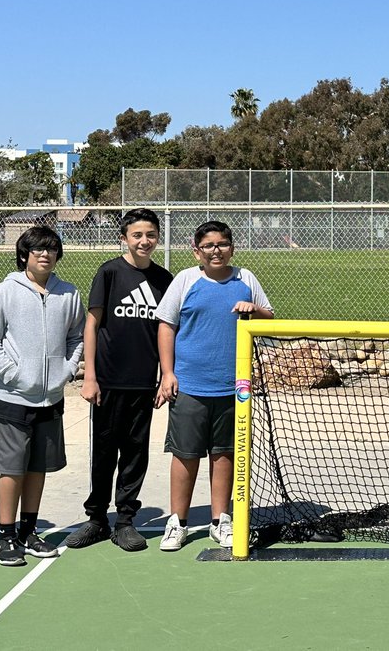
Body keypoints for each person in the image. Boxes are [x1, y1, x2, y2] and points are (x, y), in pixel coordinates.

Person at [154, 221, 273, 551]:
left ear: (232, 248)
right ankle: (178, 521)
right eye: (208, 245)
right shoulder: (186, 280)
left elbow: (271, 320)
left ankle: (221, 520)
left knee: (224, 454)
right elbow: (166, 326)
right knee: (185, 454)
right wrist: (168, 373)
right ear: (197, 251)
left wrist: (256, 310)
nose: (216, 250)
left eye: (222, 244)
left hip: (234, 387)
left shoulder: (245, 279)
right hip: (190, 385)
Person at [65, 209, 173, 553]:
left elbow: (166, 332)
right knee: (104, 453)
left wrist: (163, 377)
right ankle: (97, 518)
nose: (144, 241)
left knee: (135, 453)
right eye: (137, 235)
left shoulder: (164, 279)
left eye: (151, 235)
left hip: (144, 383)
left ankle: (125, 520)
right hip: (108, 383)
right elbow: (91, 325)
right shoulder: (110, 272)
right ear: (124, 238)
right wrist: (90, 376)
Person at [0, 226, 85, 567]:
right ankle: (6, 535)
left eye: (51, 249)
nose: (45, 254)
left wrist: (65, 371)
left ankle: (28, 530)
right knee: (13, 469)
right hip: (12, 397)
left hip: (51, 398)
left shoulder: (68, 295)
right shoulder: (5, 292)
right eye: (38, 249)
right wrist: (14, 374)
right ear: (24, 253)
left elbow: (77, 338)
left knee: (38, 467)